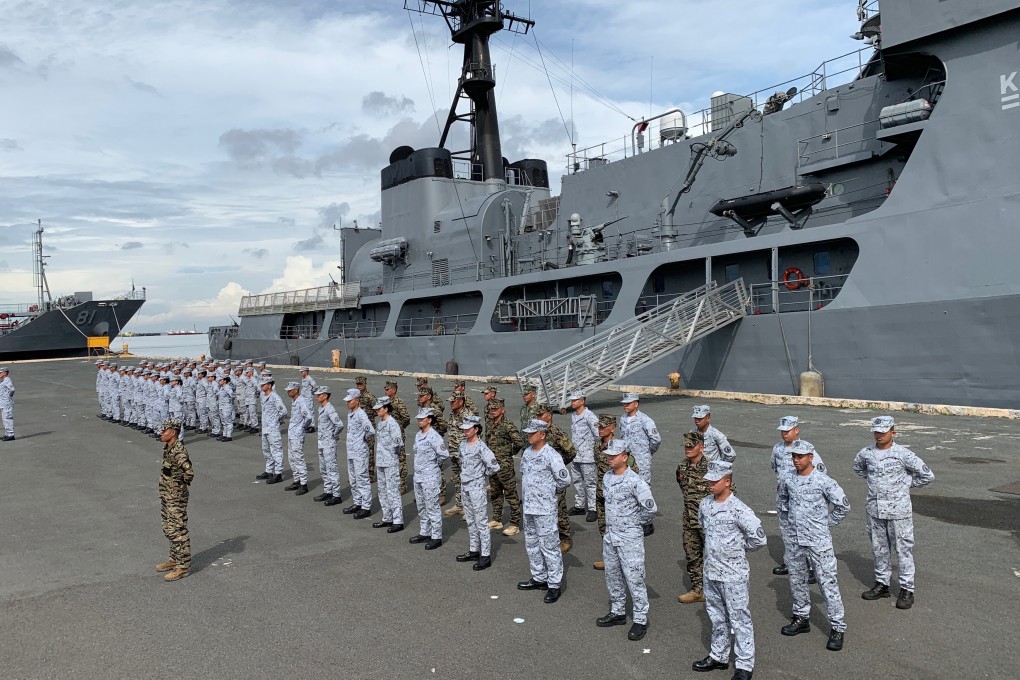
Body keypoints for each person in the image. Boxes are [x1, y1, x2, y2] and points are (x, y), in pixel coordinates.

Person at [693, 460, 766, 679]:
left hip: (733, 574)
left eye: (715, 481)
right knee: (716, 616)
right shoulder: (705, 504)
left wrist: (736, 550)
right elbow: (703, 527)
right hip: (711, 571)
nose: (710, 484)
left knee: (739, 619)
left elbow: (758, 539)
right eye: (709, 481)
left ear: (727, 482)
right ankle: (719, 656)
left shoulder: (740, 509)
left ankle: (744, 665)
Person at [853, 416, 935, 610]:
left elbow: (927, 475)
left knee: (903, 550)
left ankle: (907, 589)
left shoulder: (903, 454)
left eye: (883, 432)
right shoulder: (866, 453)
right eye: (876, 432)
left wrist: (905, 486)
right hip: (875, 510)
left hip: (899, 511)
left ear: (893, 432)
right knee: (879, 548)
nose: (879, 435)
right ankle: (882, 584)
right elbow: (858, 468)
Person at [779, 439, 851, 652]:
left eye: (800, 456)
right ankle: (801, 617)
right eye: (793, 456)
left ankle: (837, 626)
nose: (796, 460)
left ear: (811, 457)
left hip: (818, 541)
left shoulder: (823, 481)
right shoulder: (788, 479)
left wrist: (826, 523)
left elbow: (843, 505)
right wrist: (788, 527)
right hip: (795, 541)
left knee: (827, 583)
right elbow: (783, 502)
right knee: (797, 580)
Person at [596, 439, 657, 642]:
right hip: (611, 536)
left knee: (635, 578)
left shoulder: (635, 481)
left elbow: (650, 508)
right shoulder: (607, 477)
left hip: (630, 538)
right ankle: (618, 611)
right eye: (608, 455)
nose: (610, 459)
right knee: (612, 575)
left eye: (614, 455)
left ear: (625, 457)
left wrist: (634, 523)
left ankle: (640, 619)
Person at [516, 419, 571, 603]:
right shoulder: (527, 454)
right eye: (528, 433)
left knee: (550, 547)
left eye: (532, 433)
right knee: (531, 543)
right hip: (529, 507)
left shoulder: (551, 455)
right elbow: (524, 476)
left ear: (543, 434)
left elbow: (564, 480)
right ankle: (539, 577)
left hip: (545, 508)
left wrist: (547, 492)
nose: (529, 435)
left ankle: (554, 584)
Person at [771, 416, 825, 578]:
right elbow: (775, 468)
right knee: (787, 532)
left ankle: (810, 567)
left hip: (801, 501)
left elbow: (821, 472)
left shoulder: (806, 449)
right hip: (783, 499)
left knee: (805, 533)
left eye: (787, 431)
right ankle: (791, 562)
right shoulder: (777, 449)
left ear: (796, 430)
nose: (784, 434)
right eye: (782, 431)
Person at [456, 415, 500, 570]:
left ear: (476, 429)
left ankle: (486, 555)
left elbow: (494, 467)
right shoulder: (462, 445)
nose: (465, 432)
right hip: (465, 486)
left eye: (468, 429)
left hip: (476, 487)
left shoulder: (482, 448)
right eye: (464, 429)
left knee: (481, 522)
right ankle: (474, 550)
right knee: (470, 520)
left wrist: (481, 475)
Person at [155, 418, 194, 582]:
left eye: (165, 430)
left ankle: (183, 566)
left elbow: (189, 472)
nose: (161, 433)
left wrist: (178, 486)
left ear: (173, 432)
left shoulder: (178, 451)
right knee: (169, 528)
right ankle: (174, 558)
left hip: (175, 497)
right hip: (167, 495)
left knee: (178, 529)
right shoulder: (169, 448)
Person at [536, 403, 577, 553]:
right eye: (537, 415)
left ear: (549, 415)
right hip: (541, 479)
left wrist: (559, 465)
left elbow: (571, 451)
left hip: (554, 479)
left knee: (559, 508)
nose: (538, 418)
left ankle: (565, 538)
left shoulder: (556, 433)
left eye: (541, 415)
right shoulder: (539, 433)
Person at [619, 393, 660, 535]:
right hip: (628, 460)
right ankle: (633, 517)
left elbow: (655, 440)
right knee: (630, 487)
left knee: (644, 488)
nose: (625, 405)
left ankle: (647, 522)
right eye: (624, 403)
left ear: (636, 404)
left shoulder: (645, 420)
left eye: (628, 403)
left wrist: (646, 454)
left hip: (642, 460)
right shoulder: (623, 419)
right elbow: (622, 437)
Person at [677, 431, 710, 603]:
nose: (688, 449)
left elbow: (729, 492)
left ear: (701, 447)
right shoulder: (682, 467)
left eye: (691, 445)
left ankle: (716, 592)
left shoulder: (712, 468)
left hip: (709, 523)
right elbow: (682, 487)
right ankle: (698, 590)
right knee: (692, 556)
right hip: (689, 521)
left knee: (714, 558)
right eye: (686, 446)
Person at [484, 397, 526, 536]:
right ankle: (497, 519)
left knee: (511, 494)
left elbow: (519, 441)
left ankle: (514, 523)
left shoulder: (507, 425)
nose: (493, 411)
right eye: (491, 409)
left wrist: (509, 453)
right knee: (495, 493)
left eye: (496, 409)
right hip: (492, 465)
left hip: (504, 466)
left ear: (503, 410)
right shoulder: (490, 424)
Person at [410, 407, 449, 550]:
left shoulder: (434, 437)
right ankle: (425, 532)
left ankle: (436, 536)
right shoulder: (418, 435)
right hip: (419, 476)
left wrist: (434, 466)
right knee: (421, 506)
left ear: (430, 420)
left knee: (432, 507)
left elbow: (443, 455)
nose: (419, 421)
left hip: (430, 476)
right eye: (419, 419)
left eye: (422, 419)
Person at [372, 396, 405, 533]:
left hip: (390, 462)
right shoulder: (380, 423)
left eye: (379, 409)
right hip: (380, 461)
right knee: (382, 491)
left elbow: (398, 444)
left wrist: (391, 456)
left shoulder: (392, 424)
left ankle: (398, 520)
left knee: (393, 491)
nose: (377, 411)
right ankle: (387, 517)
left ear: (386, 409)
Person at [568, 391, 600, 521]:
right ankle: (579, 506)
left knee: (590, 483)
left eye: (575, 400)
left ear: (582, 401)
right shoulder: (574, 416)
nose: (572, 402)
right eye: (572, 400)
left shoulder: (589, 416)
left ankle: (593, 508)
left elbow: (598, 434)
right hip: (575, 455)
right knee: (577, 481)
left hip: (587, 456)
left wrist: (592, 449)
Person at [343, 387, 375, 519]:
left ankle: (366, 507)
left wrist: (362, 441)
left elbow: (371, 431)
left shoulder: (361, 414)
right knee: (353, 479)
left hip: (359, 452)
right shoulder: (351, 414)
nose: (347, 403)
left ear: (356, 400)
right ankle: (357, 502)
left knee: (362, 479)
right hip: (351, 451)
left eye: (349, 401)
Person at [442, 389, 472, 517]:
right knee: (457, 480)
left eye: (453, 401)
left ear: (461, 401)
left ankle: (469, 508)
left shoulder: (468, 415)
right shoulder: (452, 414)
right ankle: (459, 505)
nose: (451, 403)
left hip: (464, 454)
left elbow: (472, 436)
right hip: (454, 452)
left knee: (468, 481)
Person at [313, 386, 345, 506]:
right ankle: (328, 491)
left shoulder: (329, 409)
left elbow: (339, 425)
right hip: (322, 442)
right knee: (323, 468)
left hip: (329, 443)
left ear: (325, 396)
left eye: (319, 395)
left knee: (331, 469)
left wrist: (334, 435)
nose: (317, 397)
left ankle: (336, 495)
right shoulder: (322, 408)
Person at [382, 380, 411, 494]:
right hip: (388, 435)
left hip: (397, 435)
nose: (386, 391)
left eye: (388, 389)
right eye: (385, 389)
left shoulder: (398, 402)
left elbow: (406, 417)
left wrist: (399, 428)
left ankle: (402, 484)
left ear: (394, 390)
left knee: (401, 459)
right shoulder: (386, 402)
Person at [257, 378, 287, 484]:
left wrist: (276, 420)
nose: (261, 386)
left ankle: (278, 473)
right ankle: (269, 471)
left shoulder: (274, 397)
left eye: (263, 385)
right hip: (265, 427)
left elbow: (283, 411)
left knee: (276, 451)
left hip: (273, 428)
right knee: (266, 450)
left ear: (269, 385)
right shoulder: (264, 396)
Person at [284, 381, 311, 495]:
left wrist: (301, 428)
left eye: (290, 390)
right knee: (291, 458)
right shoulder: (294, 401)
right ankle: (296, 480)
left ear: (296, 390)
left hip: (297, 435)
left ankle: (304, 484)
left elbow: (308, 417)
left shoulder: (301, 401)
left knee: (298, 458)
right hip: (292, 434)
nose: (288, 392)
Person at [216, 375, 234, 441]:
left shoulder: (227, 387)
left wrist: (229, 402)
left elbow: (232, 395)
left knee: (228, 421)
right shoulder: (221, 387)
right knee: (223, 422)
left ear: (225, 381)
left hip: (226, 407)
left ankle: (229, 436)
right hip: (221, 406)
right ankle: (224, 434)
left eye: (221, 380)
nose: (219, 381)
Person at [299, 367, 317, 432]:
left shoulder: (309, 379)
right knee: (305, 411)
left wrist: (312, 392)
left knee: (310, 411)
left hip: (308, 398)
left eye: (302, 371)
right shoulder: (303, 379)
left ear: (306, 372)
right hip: (304, 398)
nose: (301, 373)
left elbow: (315, 386)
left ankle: (312, 426)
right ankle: (307, 424)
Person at [0, 366, 14, 440]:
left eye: (0, 373)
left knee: (7, 418)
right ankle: (7, 433)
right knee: (4, 419)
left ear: (4, 373)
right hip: (3, 403)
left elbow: (12, 389)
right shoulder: (3, 381)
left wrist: (8, 397)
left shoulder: (7, 380)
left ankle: (11, 434)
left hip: (7, 403)